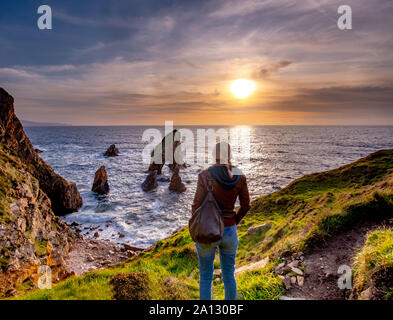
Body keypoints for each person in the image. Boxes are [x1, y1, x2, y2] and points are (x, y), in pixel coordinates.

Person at [191, 142, 251, 300]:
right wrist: (234, 222)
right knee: (229, 276)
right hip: (230, 231)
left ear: (214, 155)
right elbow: (246, 205)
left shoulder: (205, 175)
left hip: (207, 231)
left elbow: (196, 206)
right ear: (229, 155)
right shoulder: (240, 175)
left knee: (205, 277)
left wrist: (197, 226)